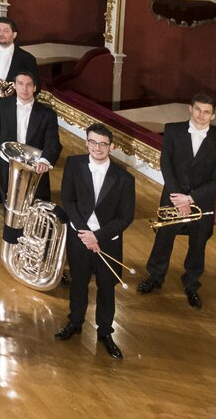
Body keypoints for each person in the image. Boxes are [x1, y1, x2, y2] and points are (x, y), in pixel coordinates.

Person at [140, 93, 216, 307]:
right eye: (198, 109)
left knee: (198, 244)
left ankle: (191, 283)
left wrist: (190, 198)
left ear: (213, 115)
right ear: (190, 109)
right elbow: (166, 164)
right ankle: (155, 276)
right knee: (164, 238)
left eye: (207, 111)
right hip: (173, 196)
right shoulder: (172, 130)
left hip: (201, 201)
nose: (201, 115)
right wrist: (178, 198)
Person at [56, 123, 136, 359]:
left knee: (106, 287)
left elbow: (125, 217)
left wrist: (96, 236)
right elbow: (68, 200)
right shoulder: (73, 164)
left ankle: (105, 332)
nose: (97, 148)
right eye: (92, 142)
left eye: (102, 143)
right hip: (80, 238)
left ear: (111, 146)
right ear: (87, 142)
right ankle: (75, 322)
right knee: (78, 283)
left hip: (106, 241)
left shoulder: (124, 179)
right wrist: (84, 233)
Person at [0, 70, 58, 236]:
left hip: (35, 170)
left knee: (36, 210)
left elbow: (53, 142)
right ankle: (12, 243)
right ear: (14, 85)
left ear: (34, 87)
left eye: (28, 84)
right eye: (20, 83)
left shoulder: (47, 113)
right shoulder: (2, 106)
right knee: (10, 210)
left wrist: (44, 160)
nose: (24, 88)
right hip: (7, 168)